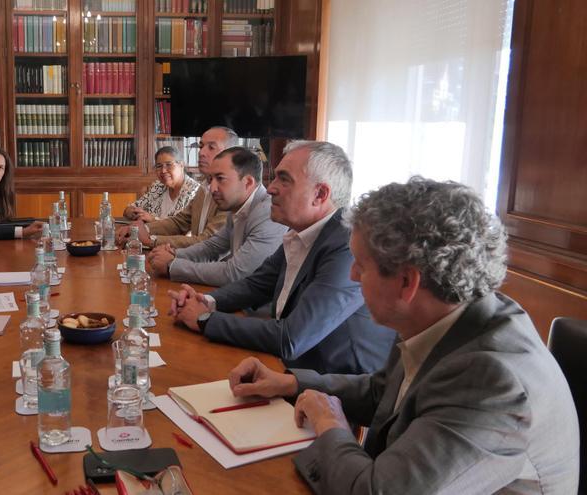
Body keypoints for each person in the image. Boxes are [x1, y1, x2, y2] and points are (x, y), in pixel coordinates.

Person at [227, 177, 579, 494]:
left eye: (361, 266)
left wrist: (329, 424)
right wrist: (290, 384)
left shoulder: (492, 383)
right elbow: (387, 393)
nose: (351, 276)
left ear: (407, 282)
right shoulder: (444, 312)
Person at [169, 141, 395, 372]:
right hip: (291, 369)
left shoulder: (346, 247)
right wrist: (206, 301)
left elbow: (291, 337)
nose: (270, 188)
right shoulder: (300, 231)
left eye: (284, 179)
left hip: (335, 386)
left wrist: (205, 319)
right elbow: (258, 284)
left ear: (320, 194)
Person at [148, 146, 287, 287]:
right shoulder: (236, 206)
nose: (212, 188)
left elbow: (234, 273)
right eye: (211, 179)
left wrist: (171, 265)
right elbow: (212, 247)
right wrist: (174, 254)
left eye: (220, 179)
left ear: (248, 182)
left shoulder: (267, 213)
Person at [116, 126, 234, 249]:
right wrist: (137, 229)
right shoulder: (204, 188)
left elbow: (206, 242)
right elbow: (179, 222)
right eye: (201, 146)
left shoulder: (230, 194)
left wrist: (150, 239)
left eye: (211, 147)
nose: (201, 152)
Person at [123, 146, 200, 222]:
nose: (163, 171)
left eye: (168, 165)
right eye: (159, 166)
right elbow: (132, 208)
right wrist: (132, 211)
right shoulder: (158, 186)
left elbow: (183, 226)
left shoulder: (194, 191)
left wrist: (152, 219)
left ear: (181, 165)